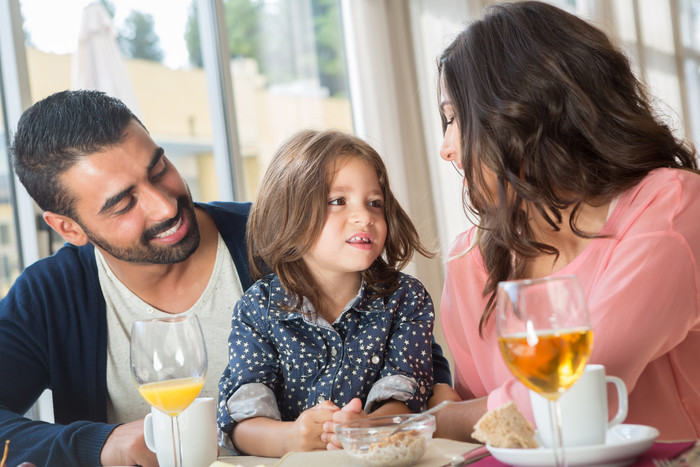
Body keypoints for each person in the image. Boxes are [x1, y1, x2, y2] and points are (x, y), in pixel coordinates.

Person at [433, 1, 700, 442]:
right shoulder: (469, 259)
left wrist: (440, 421)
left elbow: (581, 395)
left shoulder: (669, 206)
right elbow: (488, 434)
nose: (446, 147)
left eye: (455, 118)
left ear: (521, 111)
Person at [0, 90, 253, 467]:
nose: (165, 205)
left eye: (159, 169)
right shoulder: (50, 294)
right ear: (69, 228)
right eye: (123, 204)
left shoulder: (275, 239)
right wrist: (101, 444)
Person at [217, 129, 438, 457]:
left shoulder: (407, 299)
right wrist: (292, 437)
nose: (364, 216)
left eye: (375, 203)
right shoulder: (257, 308)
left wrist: (365, 427)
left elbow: (405, 397)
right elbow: (242, 424)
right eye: (338, 201)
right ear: (289, 214)